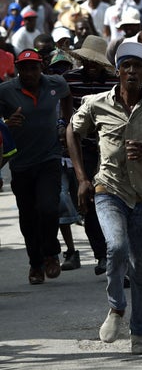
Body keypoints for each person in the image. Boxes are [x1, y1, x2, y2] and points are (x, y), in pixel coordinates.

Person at [67, 41, 142, 354]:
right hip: (108, 189)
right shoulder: (95, 103)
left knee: (141, 266)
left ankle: (139, 334)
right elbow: (72, 132)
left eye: (137, 66)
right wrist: (81, 178)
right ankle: (116, 308)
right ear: (117, 71)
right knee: (115, 247)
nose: (131, 71)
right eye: (126, 65)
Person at [0, 49, 73, 285]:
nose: (29, 72)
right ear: (18, 69)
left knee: (49, 208)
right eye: (24, 68)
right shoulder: (6, 90)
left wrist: (64, 121)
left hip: (49, 158)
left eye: (33, 67)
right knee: (28, 216)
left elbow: (67, 95)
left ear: (41, 67)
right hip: (20, 163)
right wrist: (7, 123)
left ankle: (51, 253)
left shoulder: (55, 83)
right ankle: (35, 264)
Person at [64, 35, 120, 276]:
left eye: (96, 62)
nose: (92, 66)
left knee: (111, 198)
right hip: (81, 146)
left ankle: (114, 252)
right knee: (88, 200)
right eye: (88, 62)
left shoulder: (113, 82)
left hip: (110, 146)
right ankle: (101, 254)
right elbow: (66, 115)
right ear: (83, 60)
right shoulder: (69, 80)